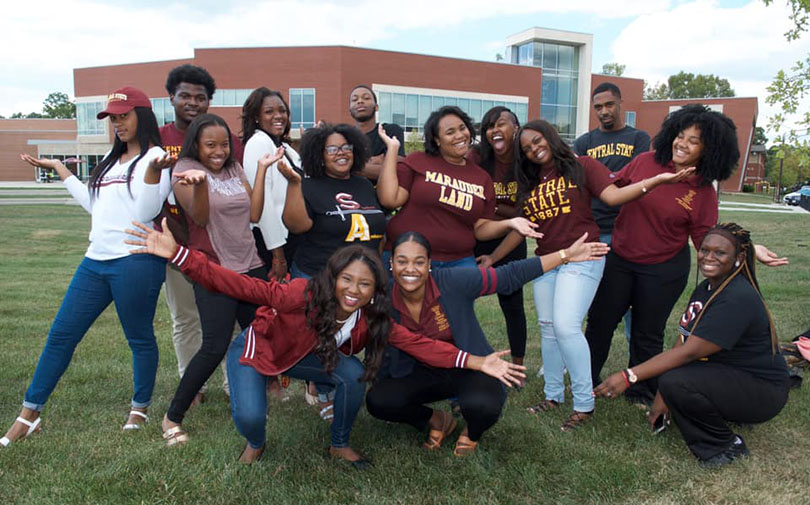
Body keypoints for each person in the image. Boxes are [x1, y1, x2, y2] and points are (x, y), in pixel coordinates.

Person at [125, 223, 526, 467]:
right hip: (262, 352)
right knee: (251, 417)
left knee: (352, 375)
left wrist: (475, 361)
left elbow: (420, 344)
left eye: (364, 285)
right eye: (347, 280)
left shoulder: (371, 317)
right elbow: (239, 284)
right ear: (333, 278)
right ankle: (256, 443)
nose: (354, 291)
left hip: (308, 359)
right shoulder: (300, 293)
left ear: (374, 291)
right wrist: (179, 254)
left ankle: (340, 445)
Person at [483, 119, 693, 430]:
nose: (534, 150)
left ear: (551, 137)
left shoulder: (582, 165)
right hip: (548, 261)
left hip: (583, 257)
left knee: (567, 326)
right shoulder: (529, 180)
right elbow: (523, 228)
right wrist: (493, 257)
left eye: (538, 141)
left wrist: (658, 181)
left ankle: (584, 403)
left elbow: (613, 197)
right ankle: (552, 395)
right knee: (549, 328)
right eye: (526, 148)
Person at [1, 87, 174, 446]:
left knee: (138, 337)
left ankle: (139, 407)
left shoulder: (155, 158)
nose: (117, 123)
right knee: (61, 335)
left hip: (135, 261)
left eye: (123, 115)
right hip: (95, 262)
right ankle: (28, 414)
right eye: (113, 117)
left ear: (142, 115)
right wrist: (62, 169)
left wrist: (155, 173)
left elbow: (143, 213)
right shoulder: (110, 162)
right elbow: (95, 207)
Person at [584, 104, 788, 406]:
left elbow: (708, 236)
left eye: (694, 141)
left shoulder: (703, 190)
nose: (683, 144)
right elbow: (611, 187)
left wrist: (751, 248)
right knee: (599, 323)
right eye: (681, 136)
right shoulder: (646, 161)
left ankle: (642, 392)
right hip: (621, 260)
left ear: (709, 150)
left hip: (663, 270)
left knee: (647, 332)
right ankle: (584, 380)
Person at [366, 231, 609, 455]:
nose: (410, 269)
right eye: (402, 261)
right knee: (379, 400)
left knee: (483, 405)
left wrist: (565, 255)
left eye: (419, 262)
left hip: (470, 368)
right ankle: (437, 420)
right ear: (391, 263)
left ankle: (471, 433)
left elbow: (508, 276)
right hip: (421, 371)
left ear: (429, 264)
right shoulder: (382, 298)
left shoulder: (452, 281)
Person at [595, 223, 789, 468]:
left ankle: (724, 446)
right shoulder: (708, 287)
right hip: (737, 378)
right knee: (673, 381)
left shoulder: (738, 297)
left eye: (720, 253)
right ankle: (722, 411)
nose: (709, 258)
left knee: (677, 382)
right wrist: (662, 399)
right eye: (704, 250)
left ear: (739, 257)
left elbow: (690, 352)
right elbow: (683, 339)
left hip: (764, 392)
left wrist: (628, 376)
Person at [159, 113, 283, 445]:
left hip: (250, 265)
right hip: (214, 269)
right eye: (210, 145)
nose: (219, 151)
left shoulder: (233, 167)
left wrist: (262, 171)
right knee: (214, 346)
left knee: (261, 335)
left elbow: (253, 214)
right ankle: (172, 417)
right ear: (196, 145)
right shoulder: (184, 170)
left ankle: (251, 403)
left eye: (224, 144)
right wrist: (199, 186)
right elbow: (199, 217)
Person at [159, 64, 244, 405]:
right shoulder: (159, 138)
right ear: (171, 99)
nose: (192, 103)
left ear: (209, 101)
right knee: (186, 318)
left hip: (224, 248)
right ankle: (191, 386)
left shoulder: (225, 137)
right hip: (179, 245)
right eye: (185, 96)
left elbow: (238, 187)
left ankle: (234, 382)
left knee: (232, 322)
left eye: (200, 97)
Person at [377, 105, 541, 269]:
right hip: (409, 258)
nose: (459, 135)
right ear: (437, 140)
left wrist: (510, 223)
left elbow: (481, 228)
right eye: (450, 132)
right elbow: (389, 199)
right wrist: (392, 150)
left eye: (462, 128)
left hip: (458, 262)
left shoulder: (481, 177)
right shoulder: (418, 161)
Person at [574, 82, 651, 343]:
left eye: (609, 105)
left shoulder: (639, 138)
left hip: (629, 230)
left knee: (632, 298)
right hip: (595, 230)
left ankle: (637, 354)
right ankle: (569, 350)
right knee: (583, 295)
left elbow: (636, 178)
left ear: (620, 104)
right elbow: (580, 184)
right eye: (598, 107)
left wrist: (601, 180)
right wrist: (611, 180)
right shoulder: (584, 142)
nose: (604, 111)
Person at [281, 123, 386, 280]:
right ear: (319, 155)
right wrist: (294, 184)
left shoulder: (364, 185)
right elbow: (297, 227)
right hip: (318, 277)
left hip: (361, 277)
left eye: (346, 147)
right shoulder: (308, 185)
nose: (341, 153)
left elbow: (378, 231)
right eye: (332, 150)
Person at [467, 106, 528, 368]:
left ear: (515, 128)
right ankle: (462, 358)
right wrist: (506, 211)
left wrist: (494, 208)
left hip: (513, 239)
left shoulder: (526, 159)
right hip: (478, 235)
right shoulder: (478, 156)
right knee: (460, 297)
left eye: (501, 124)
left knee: (512, 303)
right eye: (489, 126)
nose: (494, 130)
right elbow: (471, 200)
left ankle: (517, 363)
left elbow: (525, 216)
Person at [241, 87, 303, 279]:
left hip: (291, 236)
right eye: (269, 112)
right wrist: (278, 255)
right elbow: (264, 203)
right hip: (273, 241)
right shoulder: (258, 144)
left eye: (282, 110)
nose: (278, 116)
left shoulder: (284, 147)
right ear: (256, 117)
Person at [348, 84, 405, 183]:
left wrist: (350, 166)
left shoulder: (390, 131)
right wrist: (381, 161)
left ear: (376, 107)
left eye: (366, 98)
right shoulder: (344, 136)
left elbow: (397, 170)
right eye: (354, 100)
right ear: (350, 110)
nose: (360, 101)